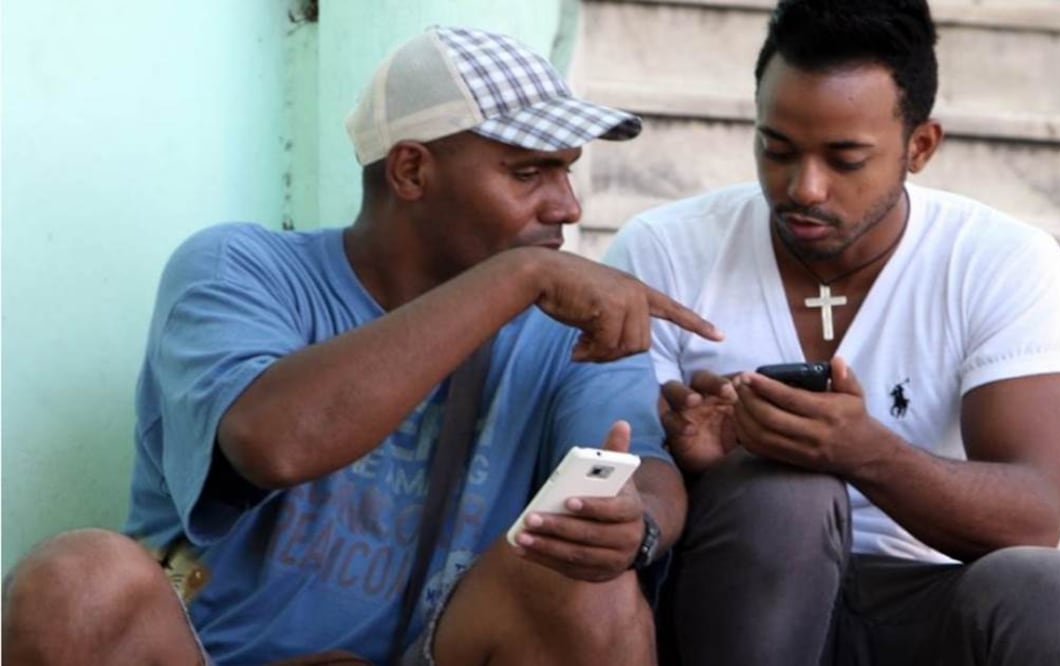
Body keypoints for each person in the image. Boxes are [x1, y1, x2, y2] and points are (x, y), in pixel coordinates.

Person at [2, 26, 723, 666]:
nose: (566, 205)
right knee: (77, 580)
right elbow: (276, 442)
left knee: (589, 586)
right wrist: (515, 276)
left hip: (442, 647)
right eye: (526, 172)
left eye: (566, 169)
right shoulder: (240, 269)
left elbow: (644, 471)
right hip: (209, 653)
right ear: (411, 171)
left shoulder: (573, 320)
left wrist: (637, 529)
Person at [605, 1, 1060, 664]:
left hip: (913, 600)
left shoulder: (998, 260)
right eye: (776, 150)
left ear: (919, 146)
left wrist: (867, 453)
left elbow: (1032, 516)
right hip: (727, 592)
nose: (804, 188)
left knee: (1048, 586)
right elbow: (612, 477)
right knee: (784, 492)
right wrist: (697, 459)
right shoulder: (663, 251)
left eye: (845, 159)